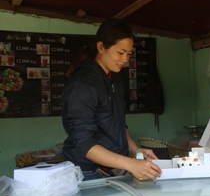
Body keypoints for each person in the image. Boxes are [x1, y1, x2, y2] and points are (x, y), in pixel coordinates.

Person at [61, 18, 162, 180]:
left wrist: (135, 150)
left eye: (128, 54)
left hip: (112, 169)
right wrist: (130, 164)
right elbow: (83, 143)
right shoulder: (83, 84)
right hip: (88, 172)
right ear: (101, 47)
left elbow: (119, 123)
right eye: (120, 53)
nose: (125, 60)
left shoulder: (114, 80)